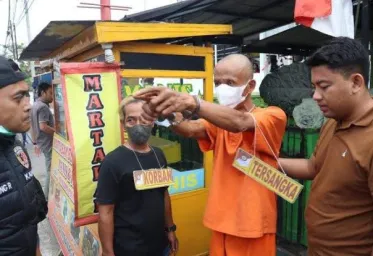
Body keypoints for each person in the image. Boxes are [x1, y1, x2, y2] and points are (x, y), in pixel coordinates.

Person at [134, 54, 287, 256]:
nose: (222, 88)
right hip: (221, 220)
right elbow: (190, 129)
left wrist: (194, 103)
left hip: (253, 224)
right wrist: (167, 113)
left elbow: (240, 122)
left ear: (250, 86)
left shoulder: (272, 115)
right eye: (218, 83)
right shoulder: (219, 121)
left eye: (230, 82)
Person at [278, 37, 373, 255]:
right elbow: (314, 167)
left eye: (324, 87)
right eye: (314, 87)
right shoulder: (332, 120)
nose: (315, 96)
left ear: (356, 83)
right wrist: (266, 162)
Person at [96, 97, 178, 256]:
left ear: (152, 121)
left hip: (160, 245)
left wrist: (170, 229)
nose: (138, 125)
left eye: (144, 118)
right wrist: (107, 252)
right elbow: (105, 211)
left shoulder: (159, 155)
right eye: (131, 120)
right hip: (129, 249)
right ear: (123, 124)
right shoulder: (112, 162)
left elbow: (164, 194)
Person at [0, 56, 47, 256]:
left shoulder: (15, 146)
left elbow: (29, 219)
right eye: (18, 98)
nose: (28, 105)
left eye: (27, 96)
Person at [30, 82, 55, 199]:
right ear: (43, 92)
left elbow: (32, 126)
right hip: (48, 143)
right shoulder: (43, 107)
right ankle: (45, 198)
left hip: (41, 142)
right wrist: (58, 133)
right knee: (50, 170)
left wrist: (35, 143)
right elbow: (43, 126)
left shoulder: (35, 105)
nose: (52, 96)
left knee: (50, 168)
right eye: (50, 93)